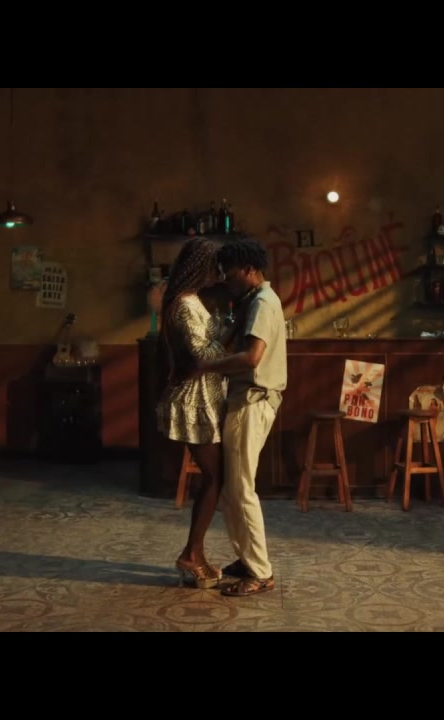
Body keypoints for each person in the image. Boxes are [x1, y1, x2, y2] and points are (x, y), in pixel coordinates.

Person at [196, 239, 287, 597]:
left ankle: (260, 572)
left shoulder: (263, 302)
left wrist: (205, 367)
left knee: (241, 489)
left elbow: (252, 358)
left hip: (252, 400)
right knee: (234, 488)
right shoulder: (253, 300)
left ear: (249, 270)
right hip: (247, 400)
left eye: (230, 273)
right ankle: (249, 559)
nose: (226, 279)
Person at [156, 237, 244, 588]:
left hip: (204, 395)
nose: (219, 272)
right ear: (201, 267)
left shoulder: (191, 300)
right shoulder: (184, 303)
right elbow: (202, 355)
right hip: (193, 400)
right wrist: (233, 331)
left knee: (215, 477)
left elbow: (207, 349)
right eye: (214, 266)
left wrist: (228, 326)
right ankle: (191, 554)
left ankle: (195, 553)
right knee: (214, 477)